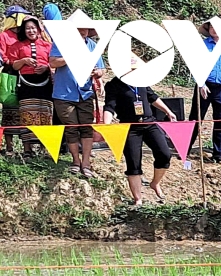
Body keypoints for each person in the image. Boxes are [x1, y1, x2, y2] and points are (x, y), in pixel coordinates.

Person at [102, 58, 176, 205]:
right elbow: (109, 106)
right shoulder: (113, 85)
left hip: (149, 123)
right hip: (130, 128)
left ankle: (155, 183)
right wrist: (106, 124)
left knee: (164, 154)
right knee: (133, 164)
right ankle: (138, 199)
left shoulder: (142, 81)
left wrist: (168, 111)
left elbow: (152, 97)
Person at [48, 20, 104, 177]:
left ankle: (86, 162)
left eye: (84, 29)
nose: (82, 31)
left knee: (87, 127)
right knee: (71, 127)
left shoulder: (92, 45)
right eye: (78, 29)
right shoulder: (61, 43)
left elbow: (101, 68)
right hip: (64, 94)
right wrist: (70, 56)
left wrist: (98, 73)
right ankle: (75, 161)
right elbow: (52, 62)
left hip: (85, 93)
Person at [2, 17, 53, 158]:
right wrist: (24, 61)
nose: (31, 31)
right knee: (26, 115)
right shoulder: (17, 46)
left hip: (45, 83)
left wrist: (45, 67)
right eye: (27, 28)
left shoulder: (48, 46)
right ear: (24, 31)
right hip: (25, 84)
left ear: (38, 29)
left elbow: (53, 63)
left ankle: (45, 148)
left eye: (33, 28)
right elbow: (13, 65)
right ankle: (27, 149)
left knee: (46, 114)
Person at [193, 20, 221, 163]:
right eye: (211, 27)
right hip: (204, 86)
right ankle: (185, 148)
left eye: (216, 27)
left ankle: (218, 153)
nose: (214, 29)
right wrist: (201, 84)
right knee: (196, 117)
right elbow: (195, 66)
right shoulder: (202, 45)